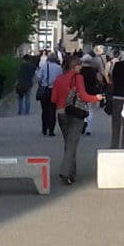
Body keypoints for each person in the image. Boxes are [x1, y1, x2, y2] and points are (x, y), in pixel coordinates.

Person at [50, 52, 90, 185]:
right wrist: (96, 98)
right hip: (75, 113)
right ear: (76, 66)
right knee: (72, 143)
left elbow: (53, 99)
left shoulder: (58, 79)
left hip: (61, 112)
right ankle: (65, 172)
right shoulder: (78, 78)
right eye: (80, 66)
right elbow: (83, 95)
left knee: (68, 143)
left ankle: (72, 173)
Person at [103, 45, 124, 147]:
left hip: (117, 95)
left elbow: (112, 76)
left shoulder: (117, 65)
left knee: (116, 123)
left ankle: (114, 145)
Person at [35, 47, 62, 137]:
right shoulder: (59, 68)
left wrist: (42, 82)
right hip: (54, 90)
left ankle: (44, 128)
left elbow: (39, 78)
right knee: (53, 110)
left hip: (45, 89)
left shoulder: (43, 67)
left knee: (44, 110)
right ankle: (51, 130)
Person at [15, 51, 37, 117]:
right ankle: (27, 112)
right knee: (27, 98)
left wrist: (16, 82)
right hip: (28, 83)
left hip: (21, 83)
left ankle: (20, 110)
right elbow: (34, 75)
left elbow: (18, 74)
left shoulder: (21, 65)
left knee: (20, 98)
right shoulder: (32, 65)